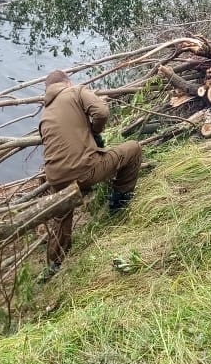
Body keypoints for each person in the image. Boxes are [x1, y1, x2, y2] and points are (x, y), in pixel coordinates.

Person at [38, 69, 142, 275]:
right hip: (85, 171)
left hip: (56, 178)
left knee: (61, 217)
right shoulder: (75, 91)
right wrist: (94, 131)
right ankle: (118, 202)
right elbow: (101, 112)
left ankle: (54, 265)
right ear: (67, 82)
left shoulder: (46, 114)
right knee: (133, 149)